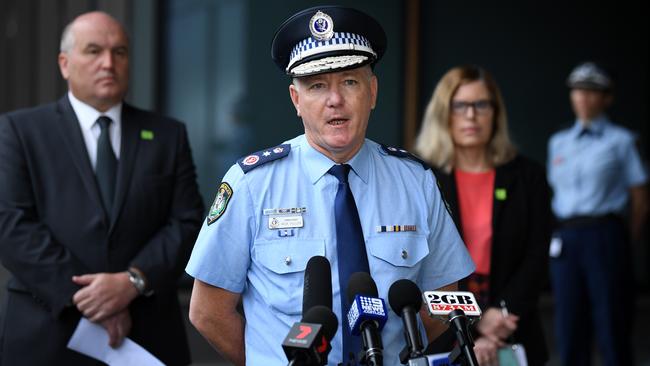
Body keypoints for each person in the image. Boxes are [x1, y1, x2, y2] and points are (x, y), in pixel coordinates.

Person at [185, 6, 475, 366]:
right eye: (317, 85)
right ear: (296, 100)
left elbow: (443, 296)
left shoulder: (415, 181)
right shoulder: (251, 184)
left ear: (372, 91)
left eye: (349, 82)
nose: (334, 99)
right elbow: (208, 311)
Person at [0, 11, 204, 365]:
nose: (108, 63)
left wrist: (132, 281)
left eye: (119, 52)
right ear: (65, 64)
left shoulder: (168, 135)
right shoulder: (19, 132)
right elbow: (10, 224)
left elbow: (187, 222)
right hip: (47, 333)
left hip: (147, 334)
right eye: (93, 51)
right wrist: (90, 298)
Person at [414, 65, 552, 365]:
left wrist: (498, 315)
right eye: (460, 105)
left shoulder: (528, 177)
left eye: (481, 105)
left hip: (512, 327)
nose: (471, 116)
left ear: (496, 113)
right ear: (443, 113)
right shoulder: (421, 178)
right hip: (444, 331)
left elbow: (537, 256)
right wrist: (473, 326)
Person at [547, 61, 648, 365]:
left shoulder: (622, 141)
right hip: (565, 236)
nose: (583, 98)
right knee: (567, 323)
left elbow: (641, 198)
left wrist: (622, 239)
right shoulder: (558, 142)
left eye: (592, 92)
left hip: (604, 233)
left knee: (611, 323)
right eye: (578, 91)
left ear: (607, 98)